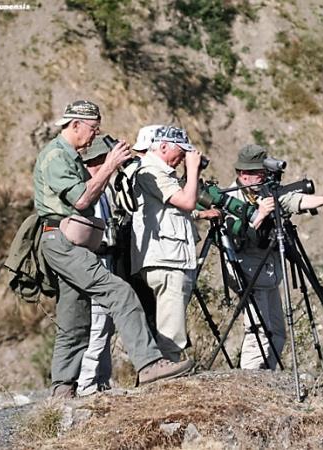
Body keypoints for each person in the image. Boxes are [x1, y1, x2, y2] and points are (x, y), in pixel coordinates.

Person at [34, 101, 193, 398]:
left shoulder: (67, 155)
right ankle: (149, 364)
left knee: (74, 319)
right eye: (93, 128)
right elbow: (81, 200)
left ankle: (62, 390)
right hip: (63, 240)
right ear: (75, 124)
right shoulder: (56, 156)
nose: (94, 135)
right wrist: (108, 166)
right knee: (119, 293)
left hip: (68, 241)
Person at [226, 144, 323, 370]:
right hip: (248, 272)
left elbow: (292, 200)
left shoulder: (263, 191)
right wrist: (260, 214)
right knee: (257, 330)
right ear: (243, 174)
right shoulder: (230, 198)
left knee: (277, 332)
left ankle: (267, 376)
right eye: (257, 173)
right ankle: (250, 381)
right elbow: (237, 236)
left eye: (263, 173)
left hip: (268, 272)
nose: (262, 177)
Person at [130, 125, 216, 362]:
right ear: (163, 146)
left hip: (171, 257)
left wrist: (191, 175)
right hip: (166, 261)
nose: (182, 158)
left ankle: (166, 369)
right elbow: (188, 202)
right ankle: (168, 374)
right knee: (171, 329)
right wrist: (193, 167)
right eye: (180, 152)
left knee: (171, 321)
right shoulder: (151, 172)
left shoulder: (164, 174)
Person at [76, 136, 117, 397]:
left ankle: (101, 384)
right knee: (97, 327)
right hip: (95, 265)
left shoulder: (104, 194)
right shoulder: (86, 192)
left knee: (105, 328)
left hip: (106, 263)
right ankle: (88, 387)